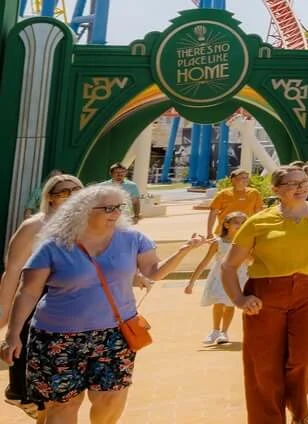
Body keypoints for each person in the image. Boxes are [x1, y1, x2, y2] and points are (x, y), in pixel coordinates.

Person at [2, 183, 201, 423]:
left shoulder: (133, 239)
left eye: (119, 207)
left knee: (111, 398)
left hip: (115, 334)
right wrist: (13, 334)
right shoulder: (54, 245)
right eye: (107, 209)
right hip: (58, 337)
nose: (115, 213)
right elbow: (28, 293)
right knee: (64, 405)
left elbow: (153, 271)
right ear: (83, 210)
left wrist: (182, 252)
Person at [221, 165, 308, 424]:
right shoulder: (258, 221)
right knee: (263, 365)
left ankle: (297, 405)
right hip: (265, 296)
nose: (301, 187)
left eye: (303, 182)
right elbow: (229, 265)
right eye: (292, 184)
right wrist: (239, 300)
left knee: (306, 356)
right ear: (276, 190)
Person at [0, 173, 81, 416]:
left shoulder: (91, 225)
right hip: (37, 305)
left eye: (76, 191)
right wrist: (4, 314)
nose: (70, 198)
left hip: (77, 310)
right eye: (62, 193)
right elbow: (13, 271)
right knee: (43, 396)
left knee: (66, 393)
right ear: (50, 198)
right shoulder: (34, 226)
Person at [183, 211, 251, 346]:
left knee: (231, 303)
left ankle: (224, 332)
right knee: (218, 302)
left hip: (238, 276)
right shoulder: (218, 242)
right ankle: (215, 330)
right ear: (226, 225)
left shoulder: (246, 241)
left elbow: (250, 261)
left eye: (243, 223)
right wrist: (191, 283)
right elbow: (204, 262)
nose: (240, 225)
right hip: (219, 276)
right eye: (236, 222)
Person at [206, 169, 265, 238]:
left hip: (246, 231)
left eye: (247, 178)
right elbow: (213, 213)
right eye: (243, 178)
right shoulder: (223, 194)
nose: (245, 180)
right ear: (233, 180)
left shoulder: (254, 193)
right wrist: (209, 233)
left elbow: (259, 213)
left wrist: (260, 230)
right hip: (225, 232)